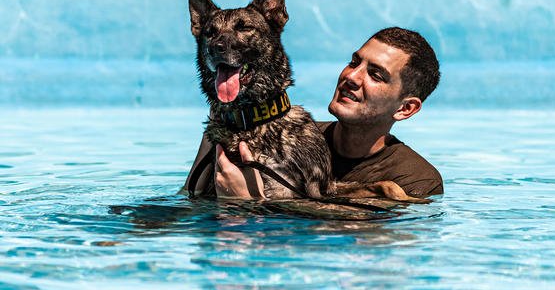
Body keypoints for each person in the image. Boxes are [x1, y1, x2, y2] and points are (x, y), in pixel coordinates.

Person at [181, 27, 443, 199]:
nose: (351, 76)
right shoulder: (285, 134)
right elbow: (187, 199)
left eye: (375, 75)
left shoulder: (414, 180)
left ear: (405, 108)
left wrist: (248, 205)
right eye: (354, 62)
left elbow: (359, 238)